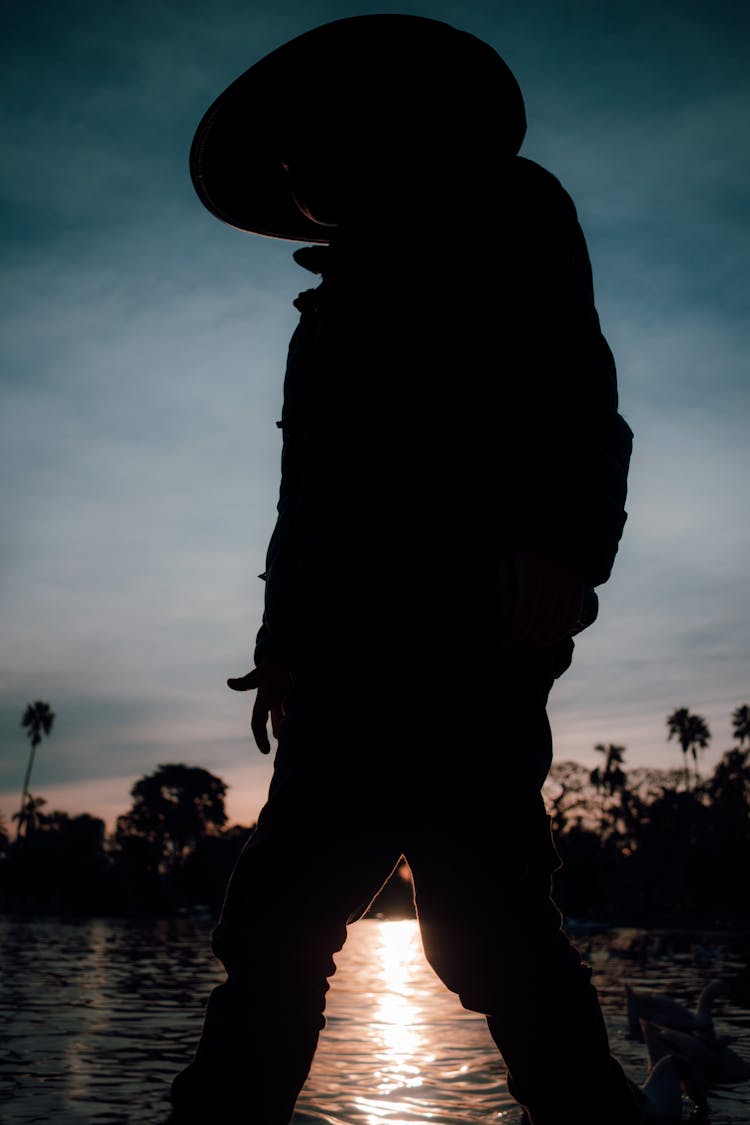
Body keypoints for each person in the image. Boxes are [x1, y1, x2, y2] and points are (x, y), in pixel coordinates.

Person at [169, 14, 645, 1125]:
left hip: (465, 635)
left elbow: (577, 390)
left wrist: (562, 547)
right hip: (340, 664)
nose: (296, 176)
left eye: (306, 151)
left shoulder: (511, 208)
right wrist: (280, 644)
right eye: (284, 168)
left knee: (486, 928)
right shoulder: (322, 315)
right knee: (273, 929)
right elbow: (308, 497)